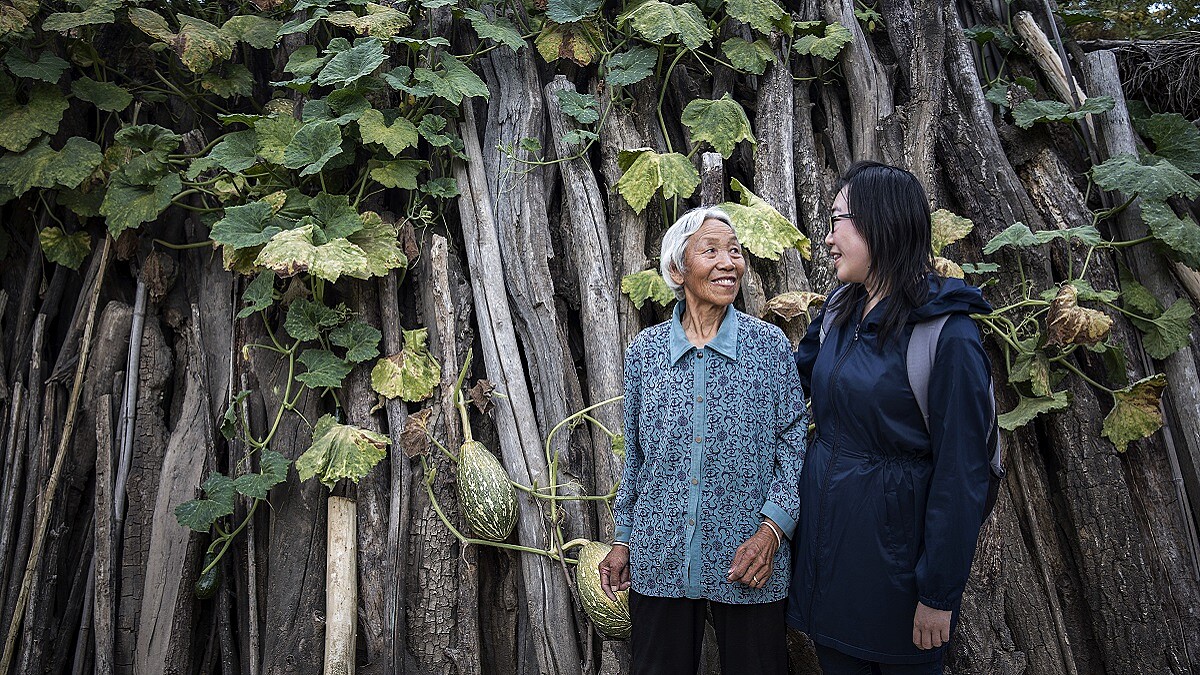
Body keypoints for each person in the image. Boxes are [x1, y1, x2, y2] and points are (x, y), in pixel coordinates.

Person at [786, 161, 995, 674]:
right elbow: (786, 387)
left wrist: (938, 594)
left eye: (837, 220)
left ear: (879, 224)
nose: (828, 238)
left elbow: (963, 475)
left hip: (897, 579)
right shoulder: (840, 312)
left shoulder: (948, 336)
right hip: (829, 563)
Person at [598, 207, 808, 675]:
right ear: (677, 271)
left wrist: (772, 530)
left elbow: (793, 445)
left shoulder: (769, 347)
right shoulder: (646, 352)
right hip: (660, 553)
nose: (728, 262)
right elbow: (637, 459)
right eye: (710, 251)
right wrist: (624, 539)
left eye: (734, 251)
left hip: (749, 556)